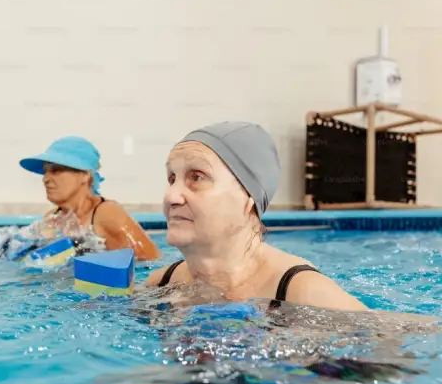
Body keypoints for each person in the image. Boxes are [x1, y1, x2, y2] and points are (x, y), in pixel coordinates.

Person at [145, 121, 367, 311]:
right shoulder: (161, 284)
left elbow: (391, 345)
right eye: (172, 178)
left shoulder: (304, 293)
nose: (171, 196)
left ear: (248, 198)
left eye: (197, 177)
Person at [19, 135, 161, 261]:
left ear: (85, 175)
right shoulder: (52, 218)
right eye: (46, 171)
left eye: (56, 170)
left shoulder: (106, 213)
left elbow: (150, 261)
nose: (46, 179)